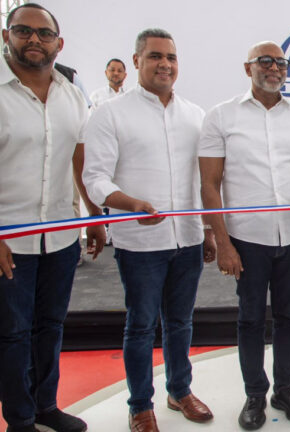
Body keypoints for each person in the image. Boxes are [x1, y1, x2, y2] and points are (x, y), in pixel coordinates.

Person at [83, 28, 215, 432]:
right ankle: (140, 405)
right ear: (137, 61)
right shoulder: (110, 113)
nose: (165, 64)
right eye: (156, 56)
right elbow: (95, 178)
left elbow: (204, 180)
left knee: (181, 321)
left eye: (171, 57)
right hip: (140, 242)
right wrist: (130, 203)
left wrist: (209, 230)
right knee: (140, 325)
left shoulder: (195, 115)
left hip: (188, 237)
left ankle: (179, 390)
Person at [199, 41, 290, 431]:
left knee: (288, 316)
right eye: (265, 61)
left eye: (280, 62)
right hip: (246, 240)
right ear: (247, 67)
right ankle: (255, 394)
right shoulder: (220, 117)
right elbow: (209, 184)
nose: (274, 68)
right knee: (250, 318)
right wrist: (223, 242)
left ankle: (285, 390)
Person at [0, 4, 105, 432]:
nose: (34, 40)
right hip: (10, 240)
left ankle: (46, 407)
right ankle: (20, 418)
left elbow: (79, 160)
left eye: (44, 34)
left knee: (50, 326)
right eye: (23, 31)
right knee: (13, 333)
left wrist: (94, 216)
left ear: (58, 44)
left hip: (61, 235)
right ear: (7, 36)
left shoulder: (71, 94)